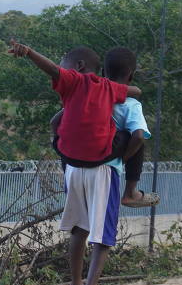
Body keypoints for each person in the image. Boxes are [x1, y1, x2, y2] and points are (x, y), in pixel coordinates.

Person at [8, 40, 139, 285]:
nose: (60, 72)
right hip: (103, 169)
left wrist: (30, 53)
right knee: (102, 237)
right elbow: (136, 101)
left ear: (78, 68)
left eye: (65, 65)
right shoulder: (109, 90)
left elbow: (52, 73)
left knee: (80, 229)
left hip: (72, 168)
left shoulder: (74, 85)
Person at [50, 47, 159, 209]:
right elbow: (138, 137)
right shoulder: (130, 105)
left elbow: (54, 122)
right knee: (139, 136)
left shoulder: (86, 95)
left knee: (80, 224)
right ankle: (130, 192)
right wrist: (123, 159)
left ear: (102, 72)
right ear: (131, 75)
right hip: (103, 162)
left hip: (71, 163)